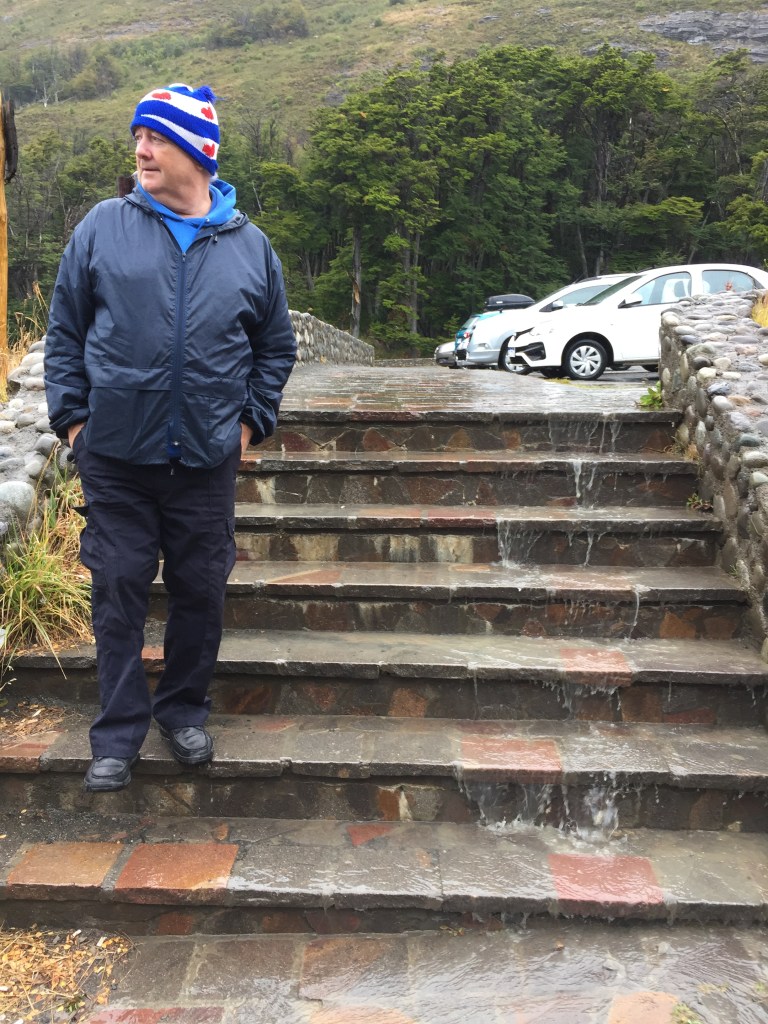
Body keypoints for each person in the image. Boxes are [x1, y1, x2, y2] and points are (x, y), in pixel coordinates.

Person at [44, 83, 297, 792]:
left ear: (196, 150)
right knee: (118, 589)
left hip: (206, 461)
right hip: (116, 458)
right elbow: (64, 332)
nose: (140, 149)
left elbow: (275, 346)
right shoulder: (102, 226)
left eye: (154, 137)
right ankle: (118, 734)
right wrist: (73, 421)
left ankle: (183, 709)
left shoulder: (250, 248)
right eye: (138, 137)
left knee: (200, 591)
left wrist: (252, 419)